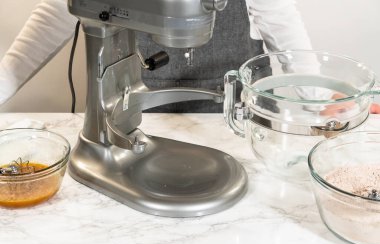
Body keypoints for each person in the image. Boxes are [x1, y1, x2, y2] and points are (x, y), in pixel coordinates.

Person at [1, 0, 378, 113]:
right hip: (135, 114)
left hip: (231, 115)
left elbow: (278, 16)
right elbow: (56, 11)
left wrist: (315, 100)